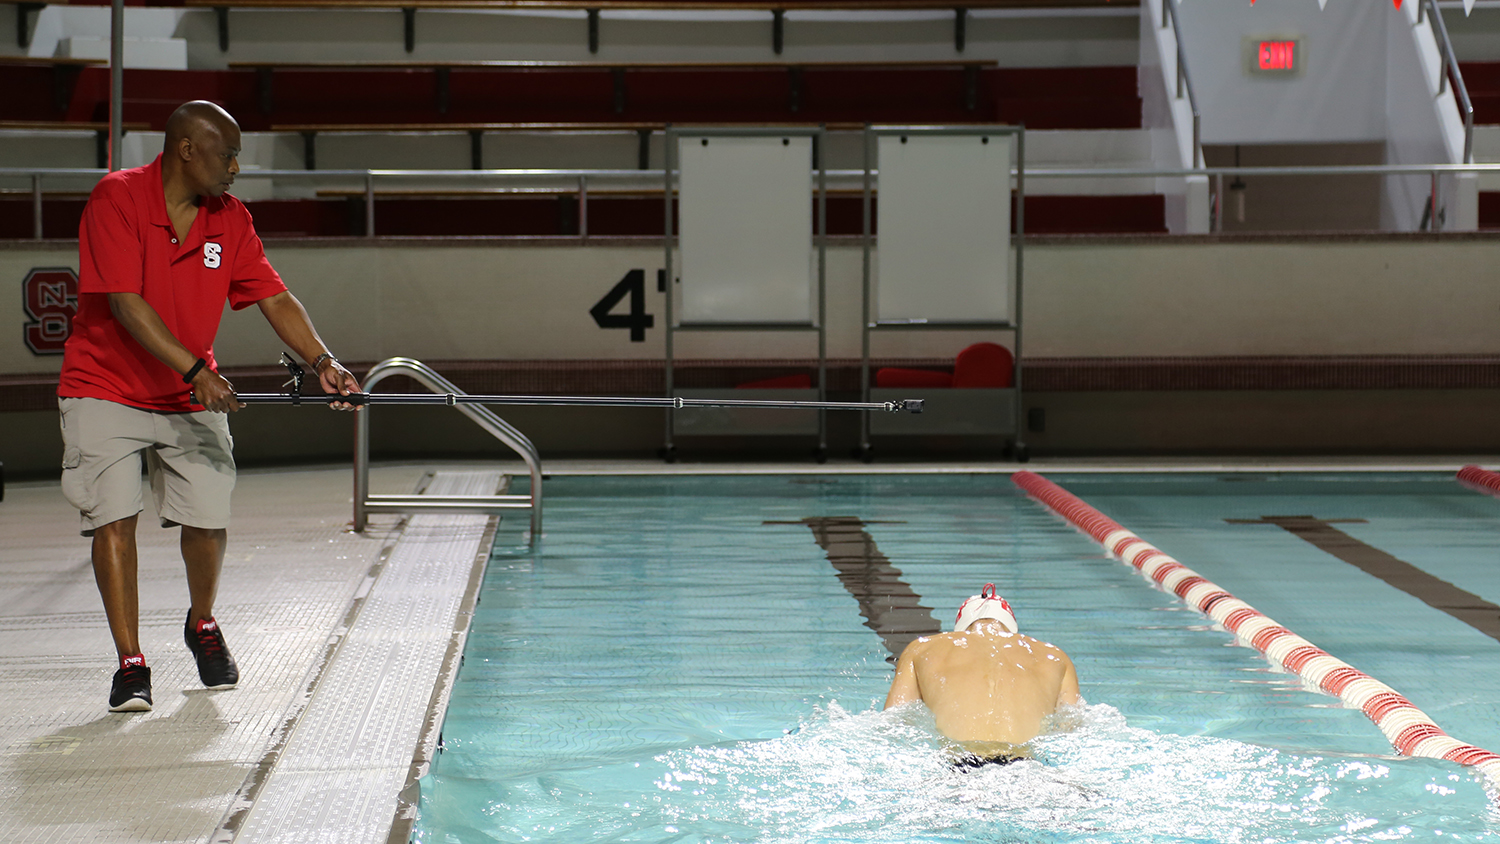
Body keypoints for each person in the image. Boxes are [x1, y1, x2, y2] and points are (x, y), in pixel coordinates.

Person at [57, 100, 361, 713]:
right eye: (228, 154)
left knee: (207, 517)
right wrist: (196, 370)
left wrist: (323, 362)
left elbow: (275, 298)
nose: (236, 168)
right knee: (113, 519)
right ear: (187, 150)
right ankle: (131, 663)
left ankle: (201, 624)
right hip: (104, 384)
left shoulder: (231, 219)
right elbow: (124, 303)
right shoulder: (115, 199)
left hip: (186, 392)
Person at [884, 583, 1080, 769]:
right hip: (1025, 768)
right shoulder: (1056, 657)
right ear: (1011, 627)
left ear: (961, 629)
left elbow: (894, 723)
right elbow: (1069, 729)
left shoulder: (921, 649)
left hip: (963, 766)